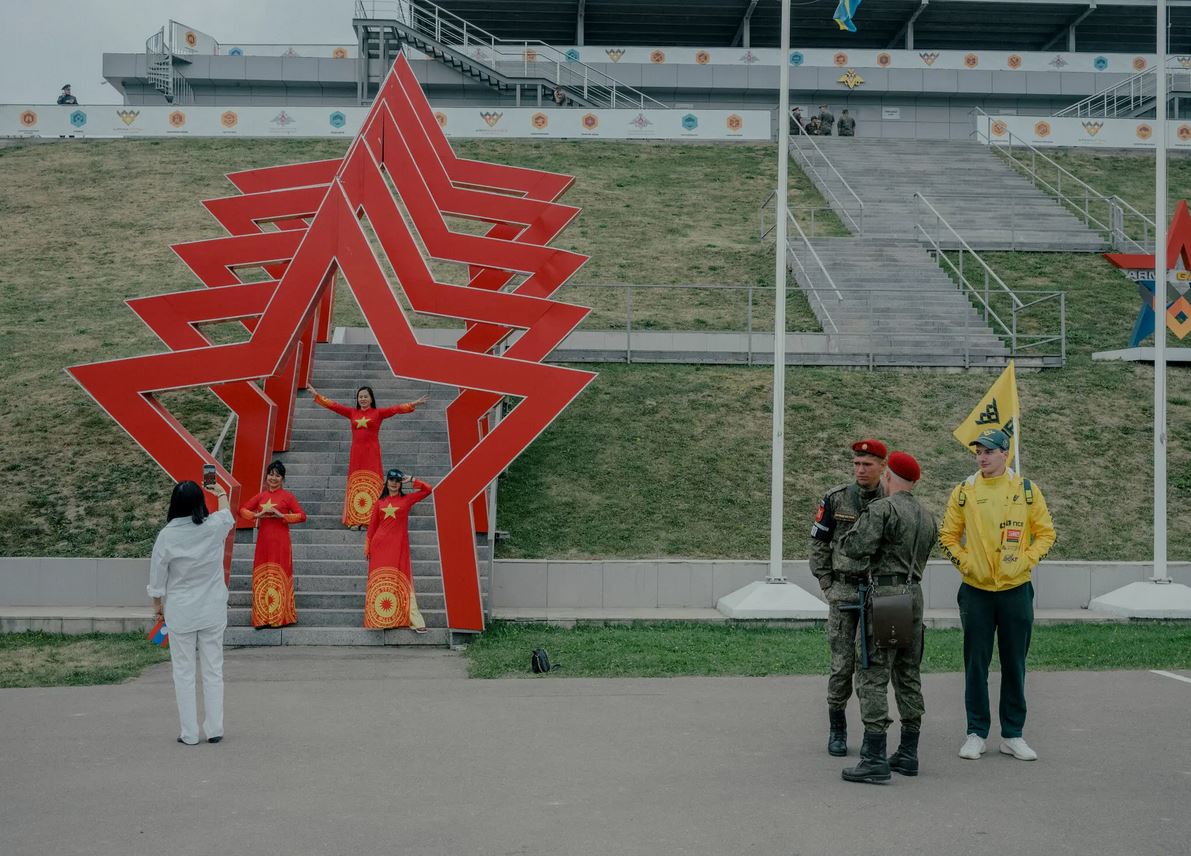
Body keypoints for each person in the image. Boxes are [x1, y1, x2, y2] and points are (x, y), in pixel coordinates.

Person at [939, 429, 1056, 763]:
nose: (982, 457)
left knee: (1014, 664)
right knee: (976, 664)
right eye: (978, 452)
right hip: (976, 591)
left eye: (988, 451)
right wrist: (966, 563)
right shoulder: (965, 491)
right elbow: (947, 536)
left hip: (1015, 590)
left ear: (1006, 453)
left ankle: (1013, 735)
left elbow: (1046, 534)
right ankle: (976, 733)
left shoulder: (1026, 490)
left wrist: (1026, 560)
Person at [838, 451, 937, 784]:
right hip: (914, 595)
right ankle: (908, 752)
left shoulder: (882, 509)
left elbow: (854, 547)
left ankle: (874, 757)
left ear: (888, 475)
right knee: (908, 673)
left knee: (872, 673)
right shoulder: (927, 515)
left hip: (885, 595)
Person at [810, 438, 887, 757]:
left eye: (867, 464)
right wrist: (826, 583)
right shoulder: (836, 498)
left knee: (874, 666)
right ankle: (837, 729)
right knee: (842, 665)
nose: (860, 470)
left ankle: (874, 732)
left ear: (882, 466)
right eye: (856, 464)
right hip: (842, 591)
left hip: (879, 594)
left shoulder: (891, 500)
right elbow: (818, 542)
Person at [147, 479, 234, 746]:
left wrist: (158, 609)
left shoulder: (167, 535)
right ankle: (215, 728)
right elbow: (228, 516)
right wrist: (220, 492)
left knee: (183, 672)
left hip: (181, 611)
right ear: (200, 502)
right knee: (213, 668)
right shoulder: (214, 526)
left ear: (174, 504)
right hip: (212, 608)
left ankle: (189, 733)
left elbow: (157, 579)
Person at [306, 384, 429, 529]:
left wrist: (412, 404)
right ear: (357, 399)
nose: (363, 399)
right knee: (356, 485)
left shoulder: (378, 413)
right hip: (356, 454)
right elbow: (335, 406)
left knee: (373, 484)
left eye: (365, 396)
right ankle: (355, 520)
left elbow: (394, 409)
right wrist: (317, 395)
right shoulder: (352, 412)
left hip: (372, 454)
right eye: (360, 397)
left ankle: (371, 520)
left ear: (371, 399)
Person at [363, 468, 433, 632]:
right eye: (391, 480)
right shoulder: (379, 503)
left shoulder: (407, 500)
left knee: (402, 581)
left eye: (397, 481)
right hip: (379, 547)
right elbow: (372, 527)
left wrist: (412, 479)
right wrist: (367, 546)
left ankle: (416, 621)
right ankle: (381, 619)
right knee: (380, 580)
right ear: (386, 482)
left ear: (401, 483)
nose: (394, 483)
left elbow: (428, 490)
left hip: (399, 547)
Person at [239, 460, 307, 628]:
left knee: (279, 575)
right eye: (271, 474)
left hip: (281, 542)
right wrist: (257, 515)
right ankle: (262, 618)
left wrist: (282, 516)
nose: (273, 478)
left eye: (277, 475)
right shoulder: (261, 496)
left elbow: (302, 516)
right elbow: (242, 510)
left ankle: (279, 617)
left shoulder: (288, 497)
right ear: (266, 477)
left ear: (282, 478)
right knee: (263, 575)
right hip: (263, 542)